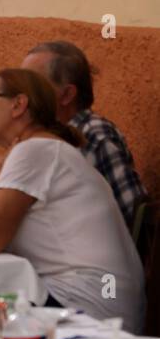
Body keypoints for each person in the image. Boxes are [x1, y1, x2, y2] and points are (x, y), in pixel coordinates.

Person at [0, 68, 144, 330]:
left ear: (18, 105)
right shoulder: (36, 147)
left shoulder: (35, 150)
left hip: (89, 309)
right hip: (99, 303)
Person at [15, 41, 148, 231]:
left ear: (67, 95)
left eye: (33, 85)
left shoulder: (93, 134)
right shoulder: (42, 137)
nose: (22, 96)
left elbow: (133, 214)